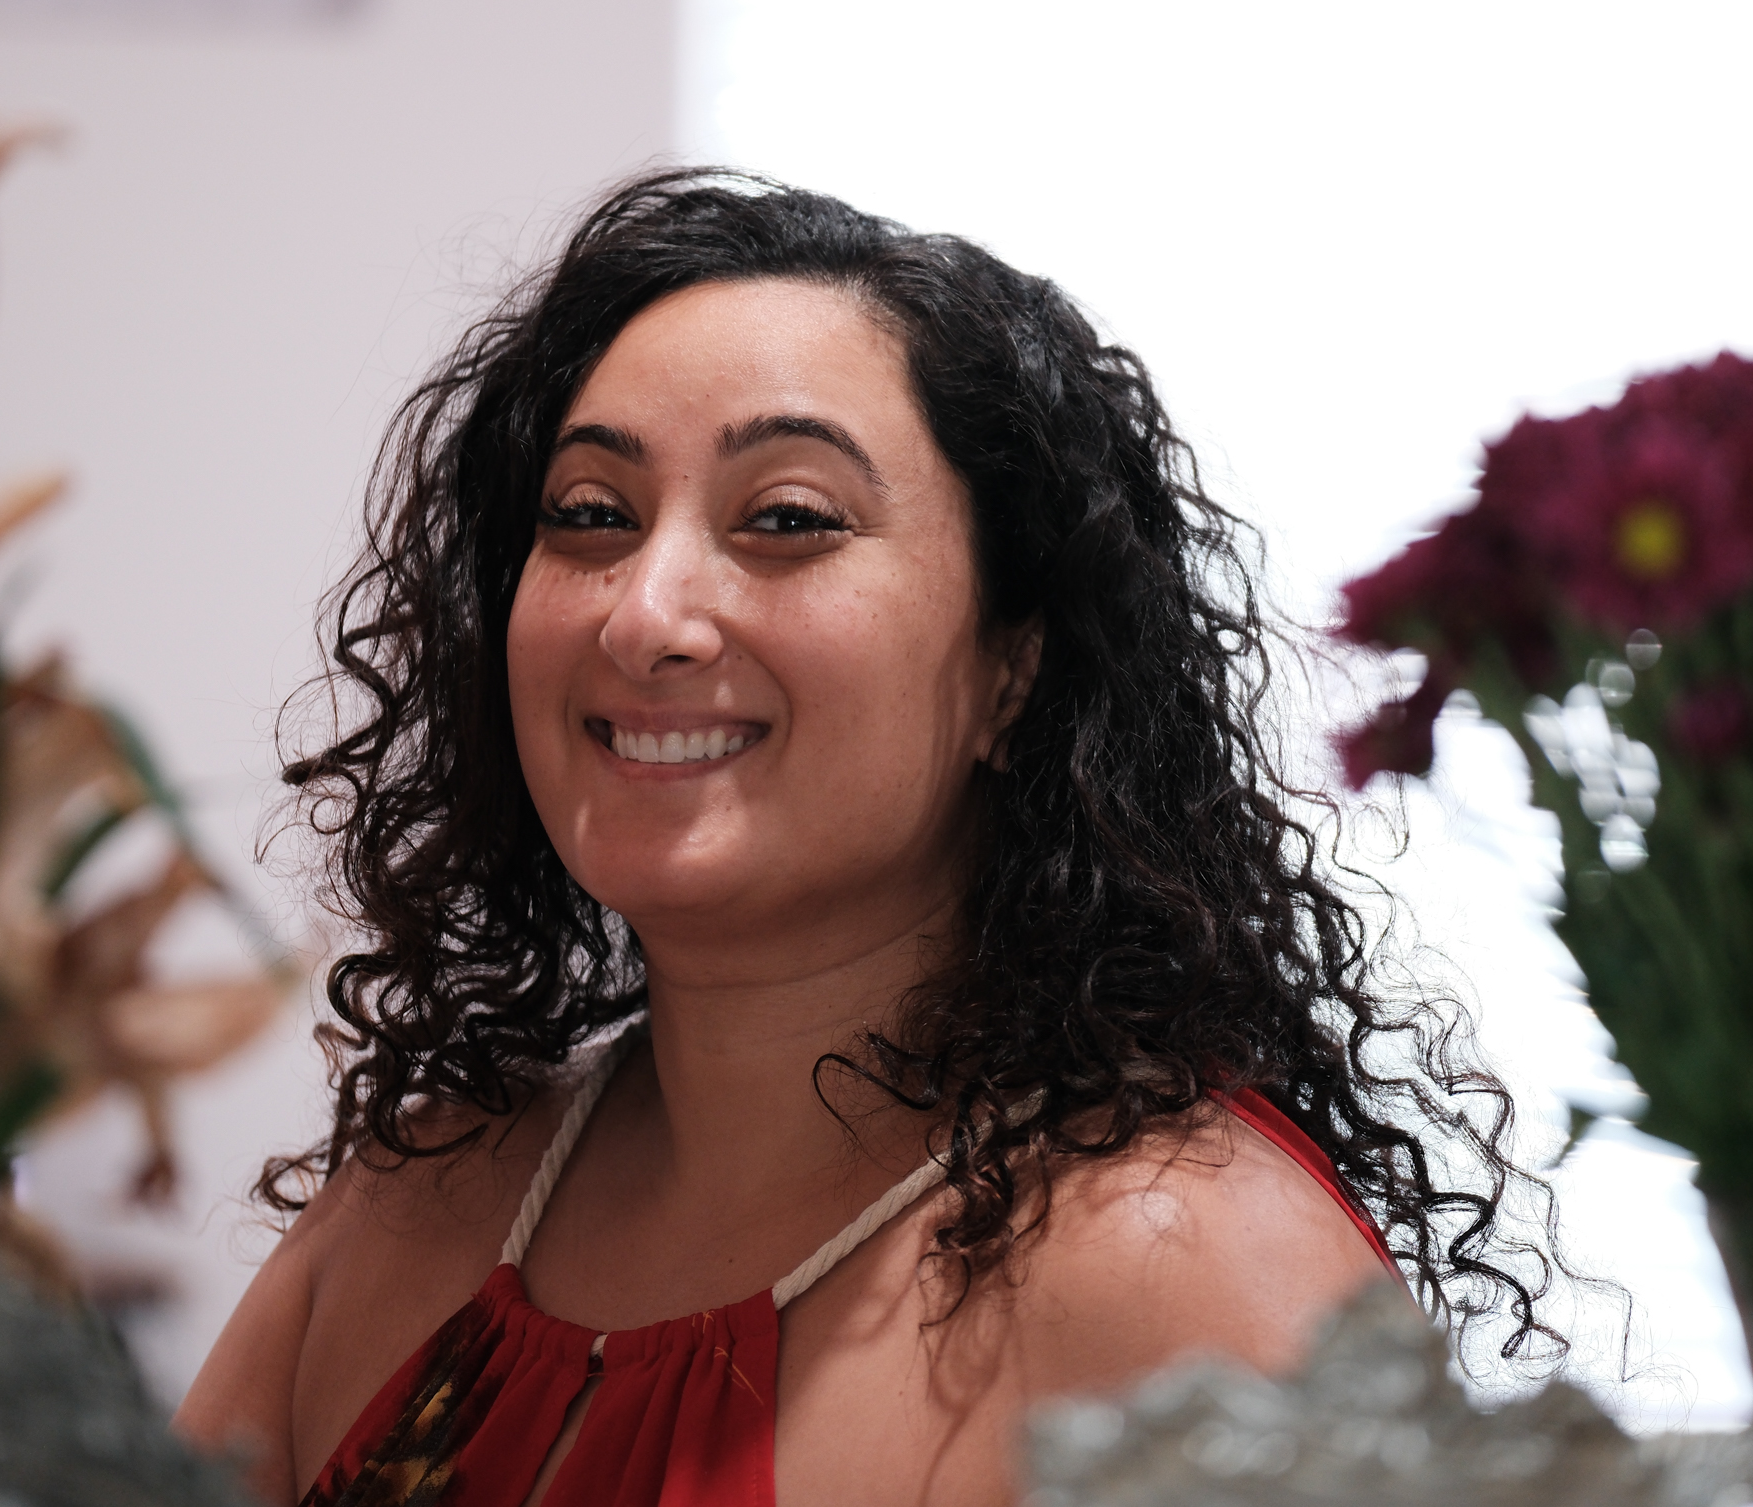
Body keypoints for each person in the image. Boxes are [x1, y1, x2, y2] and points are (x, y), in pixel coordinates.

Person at [174, 172, 1551, 1507]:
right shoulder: (421, 1207)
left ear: (1015, 669)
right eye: (591, 516)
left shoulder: (1174, 1273)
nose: (645, 613)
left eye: (785, 521)